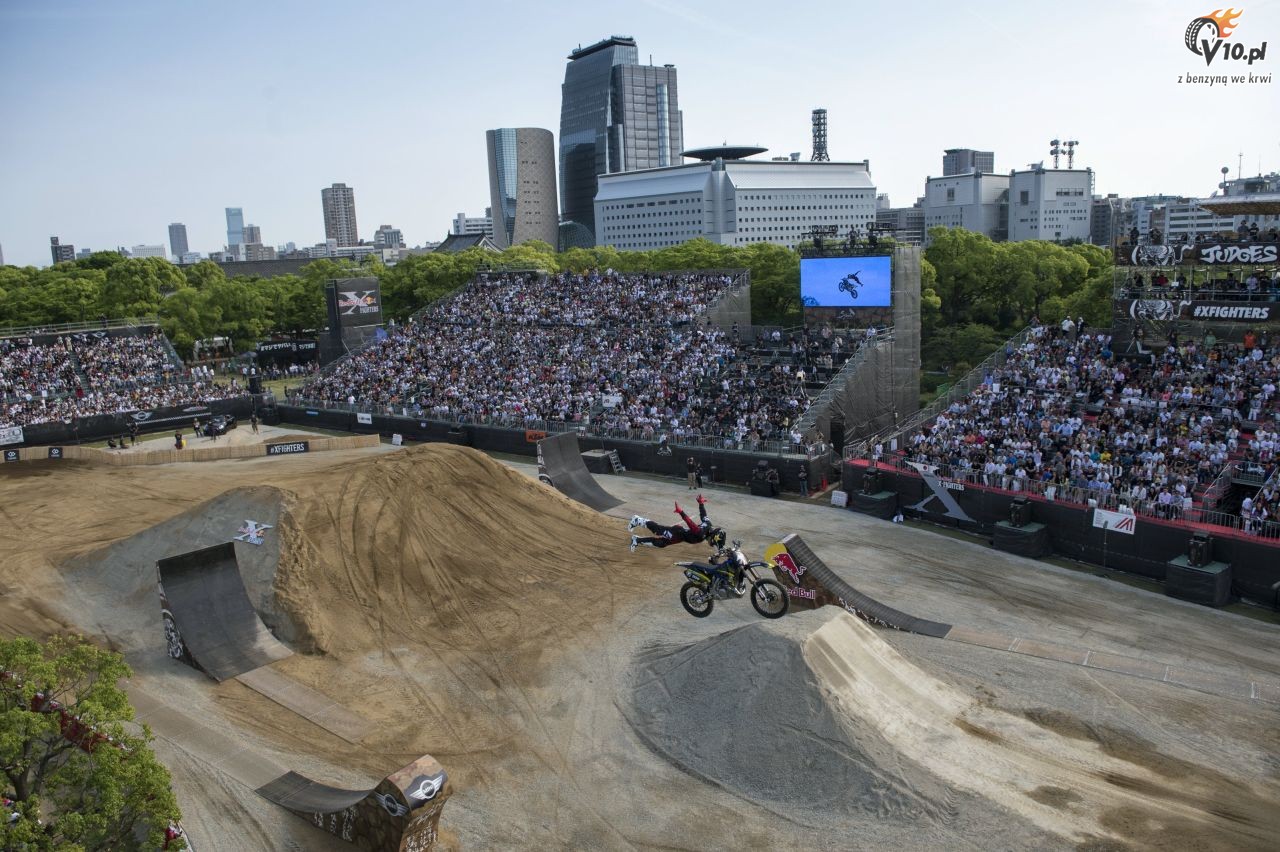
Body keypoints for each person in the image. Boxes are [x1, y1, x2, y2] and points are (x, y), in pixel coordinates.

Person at [629, 494, 722, 552]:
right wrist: (681, 512)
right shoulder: (701, 534)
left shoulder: (709, 524)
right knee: (657, 530)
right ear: (712, 537)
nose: (710, 543)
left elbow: (703, 514)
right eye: (712, 543)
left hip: (679, 537)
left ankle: (636, 540)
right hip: (677, 533)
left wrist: (701, 504)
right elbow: (691, 523)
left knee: (661, 543)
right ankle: (637, 520)